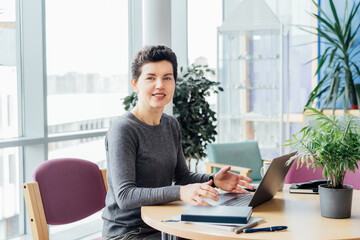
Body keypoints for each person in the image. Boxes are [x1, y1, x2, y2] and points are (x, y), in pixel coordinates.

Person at [102, 45, 254, 240]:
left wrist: (214, 180)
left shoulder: (170, 124)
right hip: (130, 233)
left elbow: (182, 176)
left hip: (167, 223)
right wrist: (180, 192)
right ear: (135, 84)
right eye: (150, 78)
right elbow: (125, 196)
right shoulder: (124, 130)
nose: (160, 85)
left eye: (167, 77)